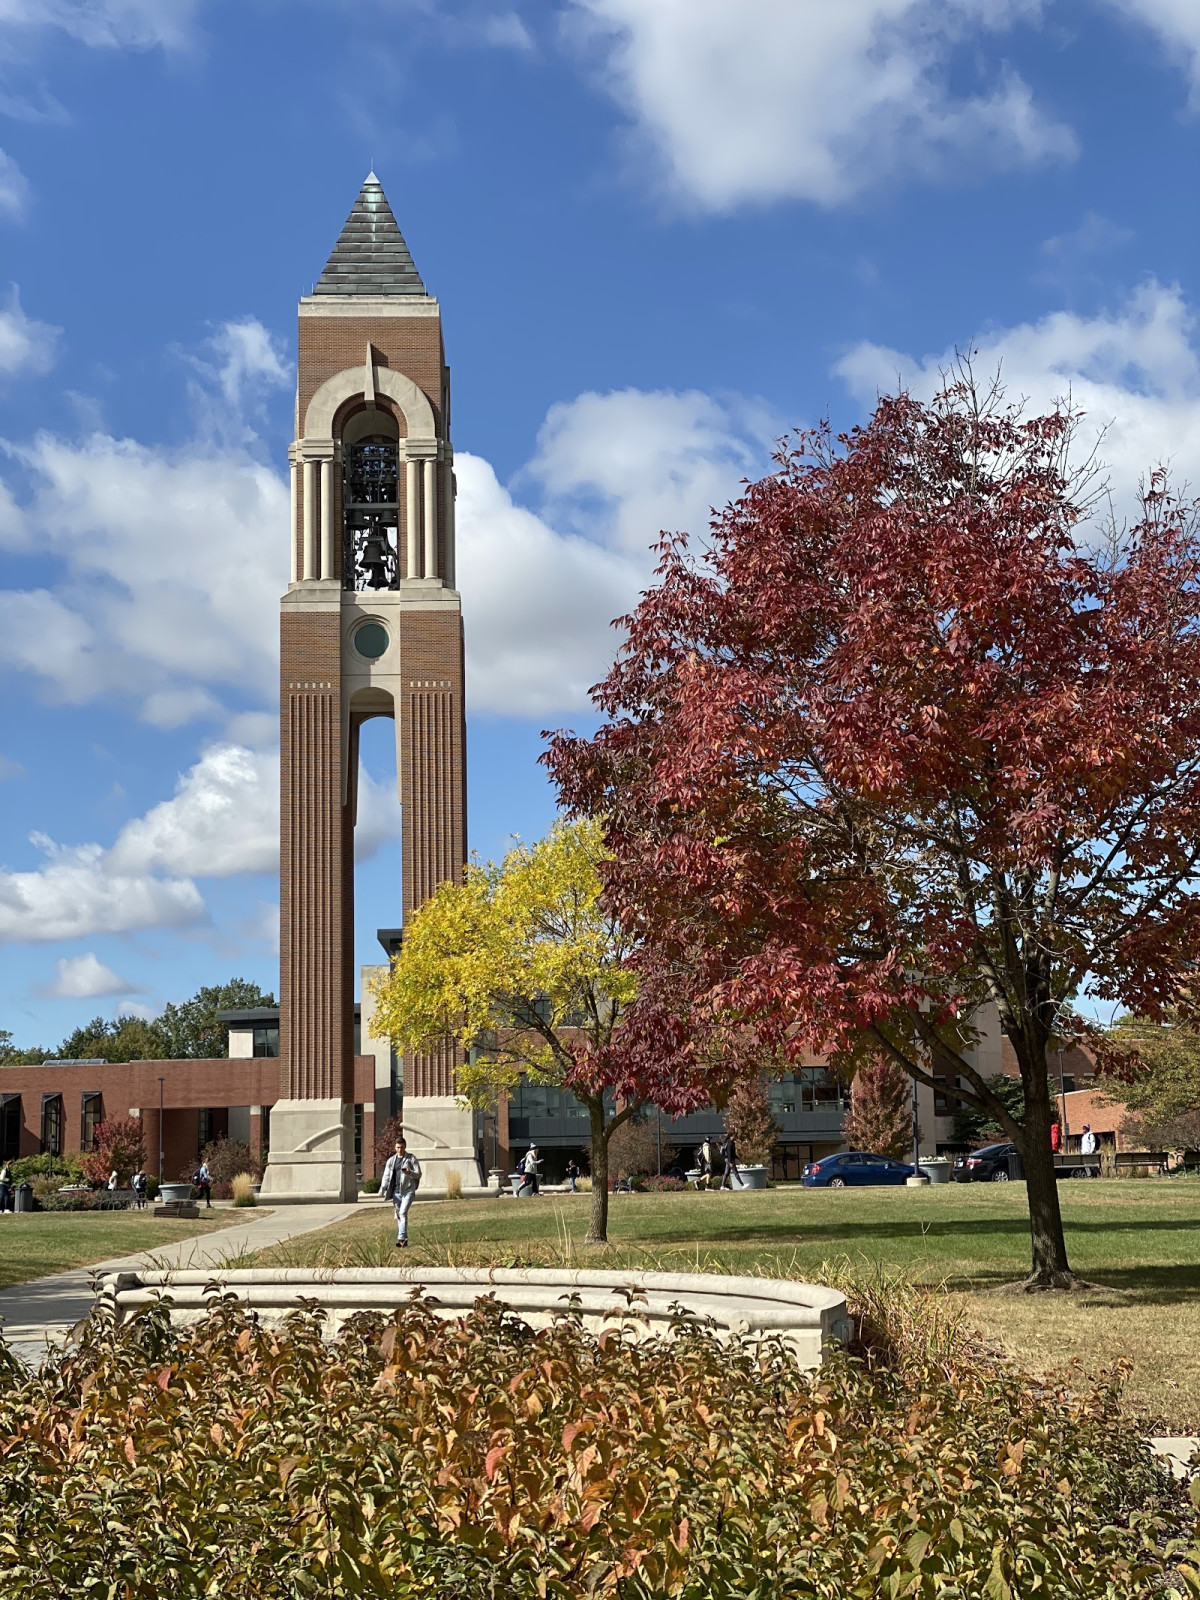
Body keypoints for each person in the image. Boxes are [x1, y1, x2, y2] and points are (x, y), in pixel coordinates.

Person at [380, 1136, 422, 1248]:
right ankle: (404, 1241)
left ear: (405, 1147)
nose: (400, 1150)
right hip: (396, 1192)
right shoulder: (391, 1161)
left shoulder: (411, 1158)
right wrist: (382, 1188)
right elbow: (386, 1175)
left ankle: (401, 1238)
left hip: (408, 1191)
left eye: (402, 1147)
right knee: (399, 1215)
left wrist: (410, 1173)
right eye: (398, 1147)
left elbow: (419, 1174)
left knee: (402, 1213)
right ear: (395, 1147)